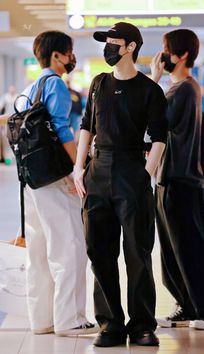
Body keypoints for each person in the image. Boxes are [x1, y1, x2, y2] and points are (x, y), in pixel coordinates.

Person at [74, 22, 167, 347]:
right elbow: (87, 126)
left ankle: (142, 324)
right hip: (98, 170)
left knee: (137, 252)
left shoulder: (149, 90)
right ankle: (110, 324)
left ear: (130, 47)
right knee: (99, 251)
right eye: (106, 42)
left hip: (132, 170)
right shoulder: (98, 84)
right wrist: (78, 168)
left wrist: (145, 173)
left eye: (114, 42)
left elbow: (159, 137)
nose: (108, 47)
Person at [151, 29, 204, 330]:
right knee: (173, 249)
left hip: (182, 177)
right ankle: (187, 305)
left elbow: (156, 120)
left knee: (192, 247)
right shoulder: (179, 88)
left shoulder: (186, 88)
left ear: (182, 55)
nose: (162, 55)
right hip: (167, 177)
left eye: (166, 49)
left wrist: (154, 80)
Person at [20, 30, 98, 336]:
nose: (71, 59)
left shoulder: (29, 88)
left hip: (32, 181)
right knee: (69, 247)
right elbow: (63, 131)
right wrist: (76, 168)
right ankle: (70, 319)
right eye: (69, 52)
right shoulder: (55, 85)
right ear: (57, 55)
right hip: (55, 177)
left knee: (38, 253)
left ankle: (42, 320)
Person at [0, 85, 17, 164]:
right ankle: (7, 158)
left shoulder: (17, 97)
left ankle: (15, 156)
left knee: (15, 138)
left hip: (15, 120)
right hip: (6, 121)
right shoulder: (5, 97)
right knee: (7, 140)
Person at [65, 78, 83, 142]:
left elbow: (80, 102)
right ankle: (70, 142)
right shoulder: (64, 92)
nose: (67, 84)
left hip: (74, 113)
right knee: (66, 129)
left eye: (68, 83)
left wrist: (80, 112)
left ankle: (74, 142)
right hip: (67, 114)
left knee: (75, 128)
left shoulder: (75, 92)